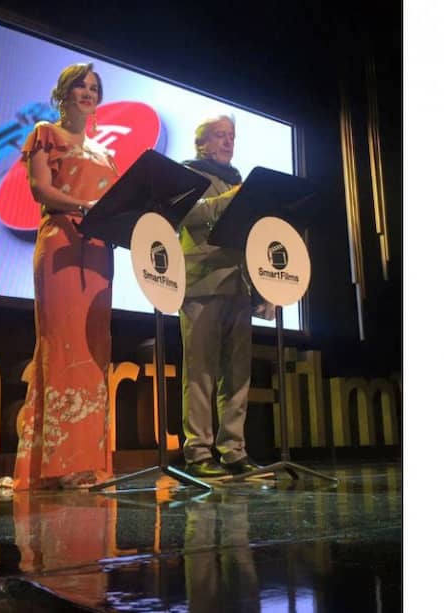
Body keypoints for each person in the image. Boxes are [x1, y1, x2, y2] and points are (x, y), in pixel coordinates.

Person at [11, 63, 118, 490]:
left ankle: (87, 461)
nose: (88, 93)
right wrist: (83, 206)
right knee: (62, 347)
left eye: (94, 87)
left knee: (93, 350)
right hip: (60, 242)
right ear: (64, 93)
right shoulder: (45, 133)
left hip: (99, 252)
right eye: (80, 86)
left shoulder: (106, 153)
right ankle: (58, 465)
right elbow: (40, 189)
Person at [177, 114, 267, 479]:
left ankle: (233, 451)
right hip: (201, 282)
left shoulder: (239, 180)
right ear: (202, 144)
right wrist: (232, 199)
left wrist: (262, 287)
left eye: (231, 136)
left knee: (237, 374)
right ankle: (198, 452)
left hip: (237, 285)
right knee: (200, 373)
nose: (228, 141)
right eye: (220, 135)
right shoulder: (188, 174)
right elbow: (188, 215)